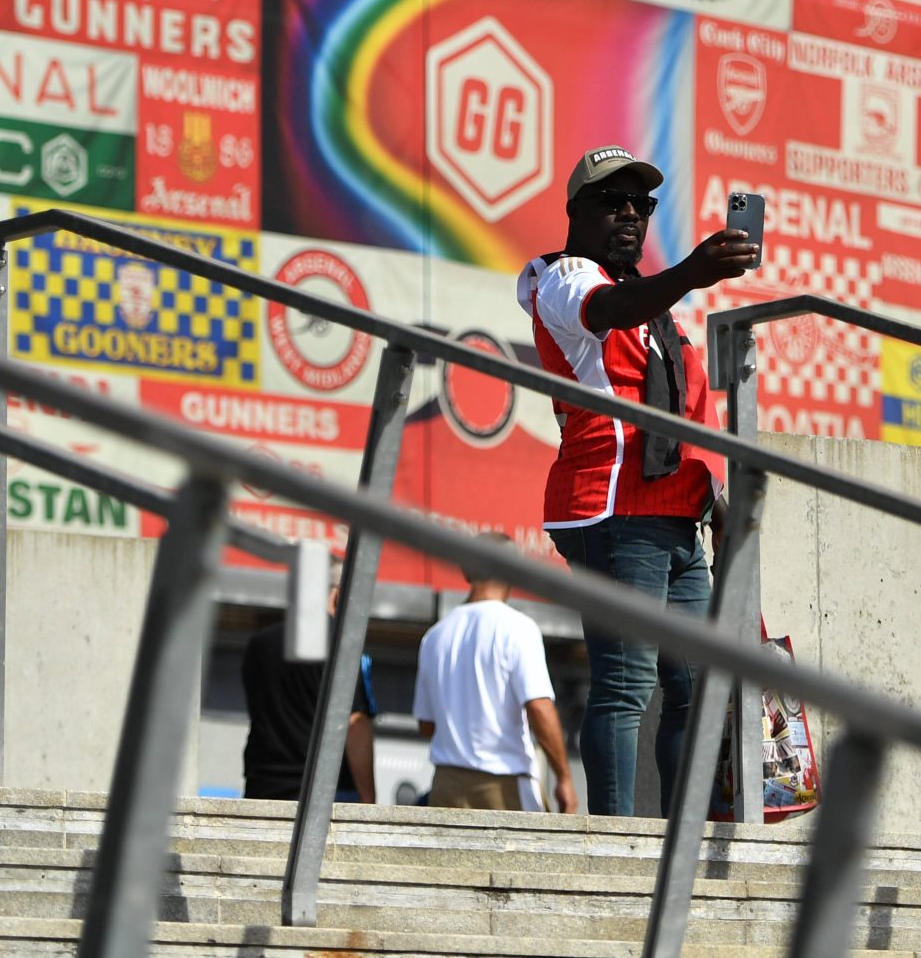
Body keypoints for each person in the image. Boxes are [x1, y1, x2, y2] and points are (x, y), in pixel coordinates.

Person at [516, 145, 758, 817]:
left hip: (675, 511)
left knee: (690, 686)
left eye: (641, 204)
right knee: (626, 681)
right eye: (611, 201)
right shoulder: (564, 278)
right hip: (611, 507)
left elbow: (688, 408)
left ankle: (680, 838)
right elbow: (608, 310)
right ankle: (618, 847)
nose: (629, 213)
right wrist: (692, 271)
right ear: (576, 213)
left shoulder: (659, 312)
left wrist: (716, 494)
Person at [415, 537, 577, 812]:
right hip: (503, 784)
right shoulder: (519, 629)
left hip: (446, 786)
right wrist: (564, 777)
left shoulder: (435, 636)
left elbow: (426, 725)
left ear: (466, 572)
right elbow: (539, 707)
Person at [238, 597, 376, 804]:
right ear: (338, 595)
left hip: (264, 786)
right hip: (326, 793)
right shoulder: (343, 645)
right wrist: (368, 798)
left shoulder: (259, 644)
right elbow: (355, 723)